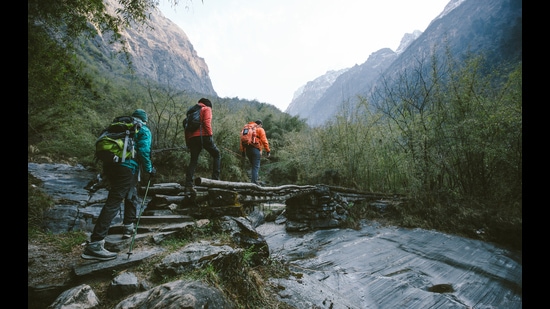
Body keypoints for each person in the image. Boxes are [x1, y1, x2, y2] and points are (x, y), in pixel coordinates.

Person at [81, 109, 156, 261]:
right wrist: (149, 169)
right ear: (144, 120)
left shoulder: (120, 126)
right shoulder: (143, 129)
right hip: (126, 167)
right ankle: (95, 244)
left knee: (130, 194)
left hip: (111, 165)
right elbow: (143, 151)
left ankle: (128, 227)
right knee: (114, 201)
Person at [184, 98, 221, 193]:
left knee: (193, 160)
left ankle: (188, 183)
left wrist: (188, 142)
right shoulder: (206, 109)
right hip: (204, 136)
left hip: (192, 138)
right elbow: (206, 122)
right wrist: (210, 135)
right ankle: (215, 181)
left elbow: (186, 129)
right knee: (216, 155)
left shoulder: (191, 112)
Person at [240, 119, 270, 185]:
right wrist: (268, 151)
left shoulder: (247, 128)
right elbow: (264, 140)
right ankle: (254, 183)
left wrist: (243, 152)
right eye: (261, 126)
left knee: (254, 166)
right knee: (255, 167)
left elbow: (242, 140)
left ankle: (254, 180)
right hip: (255, 149)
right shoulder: (260, 129)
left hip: (247, 150)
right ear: (260, 125)